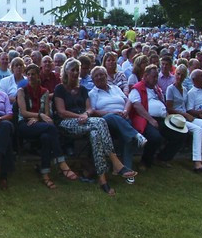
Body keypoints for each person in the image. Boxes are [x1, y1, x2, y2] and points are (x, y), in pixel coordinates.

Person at [53, 59, 131, 194]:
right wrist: (80, 116)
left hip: (85, 122)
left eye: (77, 69)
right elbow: (61, 112)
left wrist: (85, 114)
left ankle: (103, 180)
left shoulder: (82, 89)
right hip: (66, 123)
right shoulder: (60, 88)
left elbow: (90, 109)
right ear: (66, 71)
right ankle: (115, 162)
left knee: (95, 134)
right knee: (100, 122)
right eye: (72, 69)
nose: (76, 72)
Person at [88, 65, 146, 179]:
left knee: (127, 138)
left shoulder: (115, 88)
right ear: (93, 80)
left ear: (106, 76)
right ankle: (136, 135)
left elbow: (128, 100)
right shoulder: (92, 93)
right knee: (112, 117)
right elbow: (93, 111)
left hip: (123, 118)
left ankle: (127, 171)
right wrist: (113, 112)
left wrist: (125, 111)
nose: (99, 77)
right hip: (105, 121)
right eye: (96, 76)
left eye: (102, 75)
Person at [14, 64, 66, 189]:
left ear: (38, 76)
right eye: (29, 74)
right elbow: (24, 112)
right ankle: (60, 160)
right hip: (25, 124)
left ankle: (45, 175)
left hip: (39, 124)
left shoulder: (45, 92)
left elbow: (47, 113)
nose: (31, 76)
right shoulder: (22, 91)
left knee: (46, 137)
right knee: (51, 127)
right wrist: (39, 115)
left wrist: (38, 118)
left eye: (33, 74)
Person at [129, 64, 186, 169]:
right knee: (155, 137)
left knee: (180, 134)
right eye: (154, 77)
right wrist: (150, 120)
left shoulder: (156, 89)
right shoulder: (137, 88)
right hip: (145, 120)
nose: (156, 79)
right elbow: (137, 106)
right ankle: (145, 161)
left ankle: (162, 158)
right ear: (145, 76)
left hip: (163, 119)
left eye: (157, 77)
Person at [164, 63, 202, 172]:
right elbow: (169, 108)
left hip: (185, 116)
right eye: (178, 74)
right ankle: (197, 162)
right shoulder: (170, 89)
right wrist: (184, 114)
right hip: (175, 117)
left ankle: (199, 153)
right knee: (197, 129)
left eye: (182, 75)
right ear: (175, 74)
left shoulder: (185, 89)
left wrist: (195, 113)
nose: (180, 77)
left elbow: (186, 106)